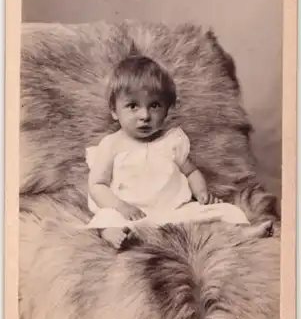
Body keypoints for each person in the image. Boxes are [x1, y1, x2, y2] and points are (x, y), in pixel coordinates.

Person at [86, 53, 257, 247]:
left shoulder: (172, 141)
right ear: (114, 111)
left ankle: (242, 232)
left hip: (173, 211)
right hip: (130, 213)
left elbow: (191, 171)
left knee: (221, 212)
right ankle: (115, 234)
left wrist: (201, 192)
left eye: (155, 105)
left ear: (167, 109)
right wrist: (121, 207)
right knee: (106, 217)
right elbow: (97, 186)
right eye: (133, 106)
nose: (145, 115)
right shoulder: (111, 145)